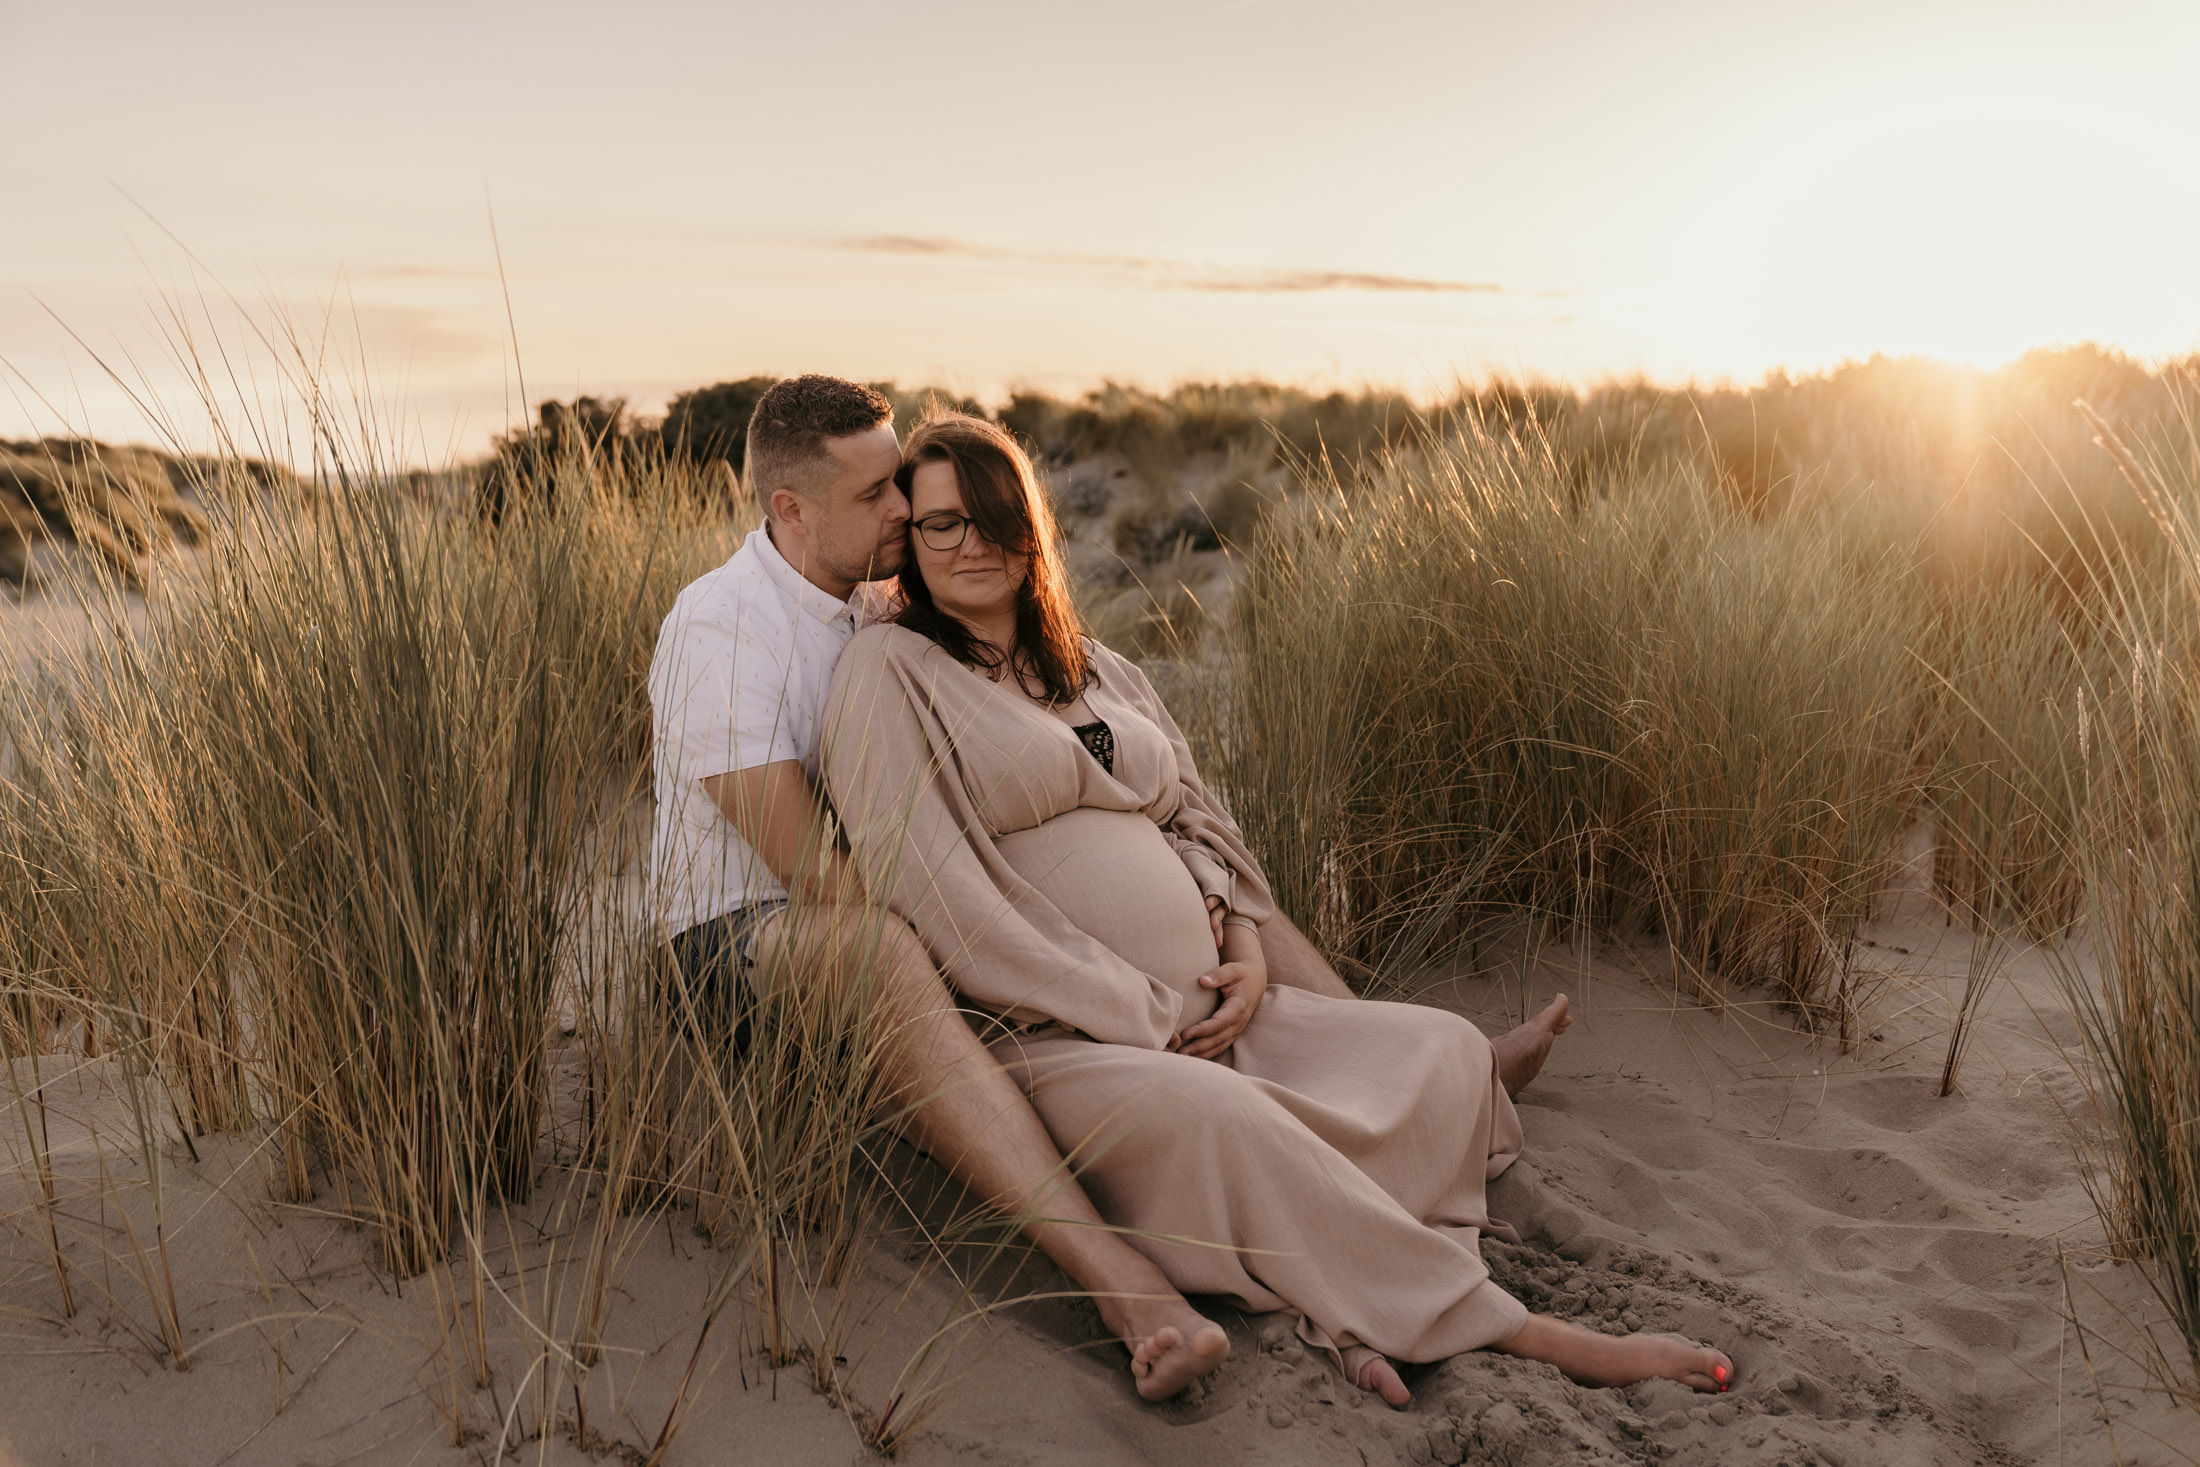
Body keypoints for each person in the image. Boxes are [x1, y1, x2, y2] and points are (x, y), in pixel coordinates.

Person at [821, 411, 1735, 1405]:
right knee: (1225, 1121)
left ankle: (1339, 1274)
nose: (972, 544)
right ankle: (1515, 1328)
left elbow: (1198, 821)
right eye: (941, 524)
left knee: (1438, 1052)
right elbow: (929, 888)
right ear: (907, 544)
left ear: (1033, 525)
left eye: (995, 517)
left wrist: (1244, 941)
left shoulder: (1097, 668)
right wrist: (1128, 1007)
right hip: (1066, 1039)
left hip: (1212, 1018)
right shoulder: (891, 672)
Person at [648, 374, 1244, 1398]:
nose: (901, 513)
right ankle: (1125, 1287)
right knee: (886, 952)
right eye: (874, 496)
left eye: (899, 488)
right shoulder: (722, 628)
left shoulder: (876, 599)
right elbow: (817, 877)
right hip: (740, 938)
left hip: (885, 912)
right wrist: (995, 939)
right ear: (788, 510)